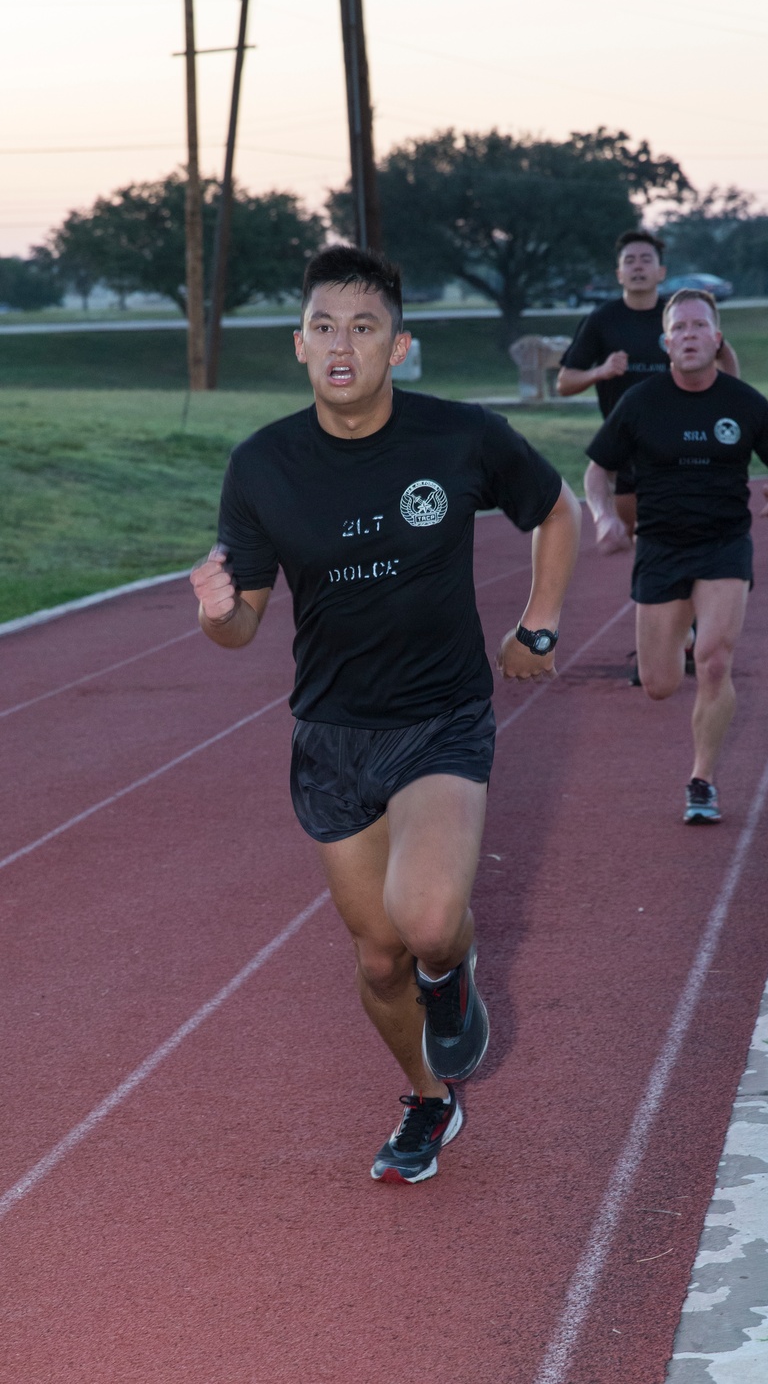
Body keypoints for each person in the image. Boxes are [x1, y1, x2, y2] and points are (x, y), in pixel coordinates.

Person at [190, 247, 580, 1184]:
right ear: (298, 344)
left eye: (364, 328)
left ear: (399, 348)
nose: (342, 344)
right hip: (330, 735)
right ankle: (428, 1100)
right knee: (376, 961)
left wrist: (539, 623)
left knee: (430, 921)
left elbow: (556, 511)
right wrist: (217, 613)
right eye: (324, 325)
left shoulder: (459, 438)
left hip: (440, 718)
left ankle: (453, 978)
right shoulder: (263, 465)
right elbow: (241, 625)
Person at [585, 289, 768, 825]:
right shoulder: (639, 402)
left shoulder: (745, 403)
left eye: (698, 326)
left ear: (716, 338)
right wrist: (603, 516)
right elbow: (598, 472)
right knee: (659, 685)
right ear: (666, 343)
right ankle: (680, 634)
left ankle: (702, 780)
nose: (688, 335)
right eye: (678, 328)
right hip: (660, 547)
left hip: (725, 543)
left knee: (714, 661)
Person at [556, 230, 740, 553]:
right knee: (641, 545)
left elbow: (723, 351)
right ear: (619, 273)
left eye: (646, 260)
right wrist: (601, 370)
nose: (638, 267)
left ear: (661, 272)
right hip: (628, 444)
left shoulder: (679, 316)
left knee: (687, 535)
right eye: (630, 261)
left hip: (684, 435)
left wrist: (728, 398)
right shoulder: (601, 320)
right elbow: (564, 383)